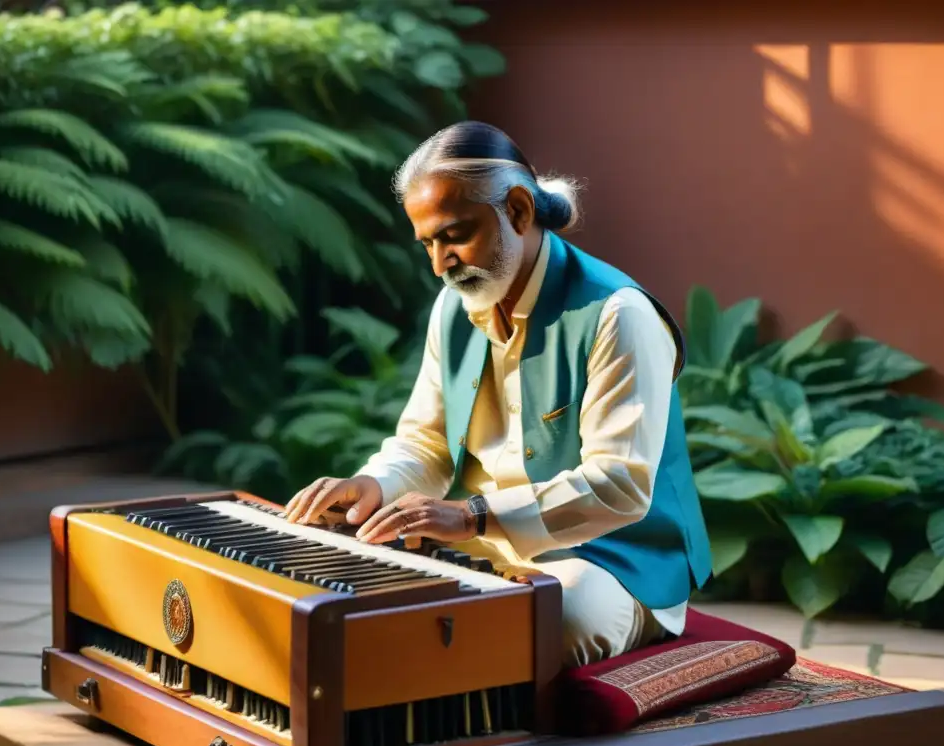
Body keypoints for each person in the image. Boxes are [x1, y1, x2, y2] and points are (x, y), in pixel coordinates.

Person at [285, 121, 713, 667]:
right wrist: (371, 485)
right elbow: (426, 444)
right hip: (477, 540)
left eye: (455, 235)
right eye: (428, 244)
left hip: (610, 557)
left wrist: (468, 517)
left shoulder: (617, 313)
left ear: (516, 210)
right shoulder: (453, 307)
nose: (440, 262)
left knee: (553, 618)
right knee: (330, 565)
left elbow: (619, 486)